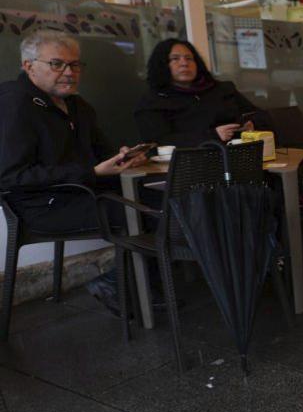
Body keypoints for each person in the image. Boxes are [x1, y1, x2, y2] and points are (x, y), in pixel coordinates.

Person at [0, 31, 147, 315]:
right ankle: (118, 283)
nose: (69, 73)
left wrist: (122, 158)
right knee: (140, 213)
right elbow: (9, 177)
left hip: (81, 192)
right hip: (41, 206)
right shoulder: (13, 104)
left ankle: (141, 286)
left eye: (75, 65)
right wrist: (90, 171)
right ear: (29, 66)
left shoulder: (78, 106)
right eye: (57, 64)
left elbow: (101, 153)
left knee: (159, 198)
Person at [134, 39, 266, 147]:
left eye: (189, 58)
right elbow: (158, 141)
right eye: (175, 59)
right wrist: (213, 135)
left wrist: (251, 124)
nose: (184, 63)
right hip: (188, 166)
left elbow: (257, 114)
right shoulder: (153, 101)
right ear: (162, 64)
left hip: (239, 155)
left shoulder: (222, 89)